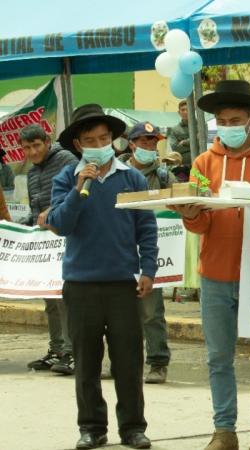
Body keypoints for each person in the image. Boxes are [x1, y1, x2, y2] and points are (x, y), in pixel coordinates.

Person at [170, 80, 250, 450]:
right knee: (218, 358)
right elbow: (200, 225)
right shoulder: (203, 162)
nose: (227, 126)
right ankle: (224, 431)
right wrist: (190, 214)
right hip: (215, 275)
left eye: (235, 120)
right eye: (222, 121)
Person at [48, 103, 157, 449]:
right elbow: (60, 224)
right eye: (90, 140)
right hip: (80, 285)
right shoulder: (66, 178)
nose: (99, 145)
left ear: (113, 139)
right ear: (78, 145)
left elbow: (146, 227)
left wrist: (149, 269)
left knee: (129, 361)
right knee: (86, 363)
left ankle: (133, 427)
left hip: (123, 284)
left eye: (104, 138)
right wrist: (80, 187)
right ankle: (92, 428)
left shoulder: (132, 178)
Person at [19, 125, 79, 375]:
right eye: (27, 148)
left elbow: (80, 193)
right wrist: (20, 227)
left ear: (47, 141)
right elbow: (35, 211)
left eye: (36, 145)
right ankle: (57, 350)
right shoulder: (32, 172)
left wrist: (53, 211)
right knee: (50, 299)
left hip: (66, 239)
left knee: (65, 298)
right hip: (43, 245)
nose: (33, 152)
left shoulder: (66, 159)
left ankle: (73, 352)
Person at [120, 122, 176, 384]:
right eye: (144, 141)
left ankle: (158, 362)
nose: (150, 146)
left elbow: (177, 206)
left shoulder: (165, 176)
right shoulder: (116, 173)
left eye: (154, 142)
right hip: (119, 250)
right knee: (118, 313)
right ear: (131, 144)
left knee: (152, 311)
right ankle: (121, 364)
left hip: (152, 250)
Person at [167, 99, 192, 165]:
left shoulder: (200, 126)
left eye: (188, 109)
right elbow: (175, 148)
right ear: (179, 112)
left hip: (199, 164)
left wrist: (184, 142)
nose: (185, 112)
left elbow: (200, 142)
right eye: (183, 110)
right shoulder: (174, 129)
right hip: (183, 165)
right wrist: (192, 143)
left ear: (192, 110)